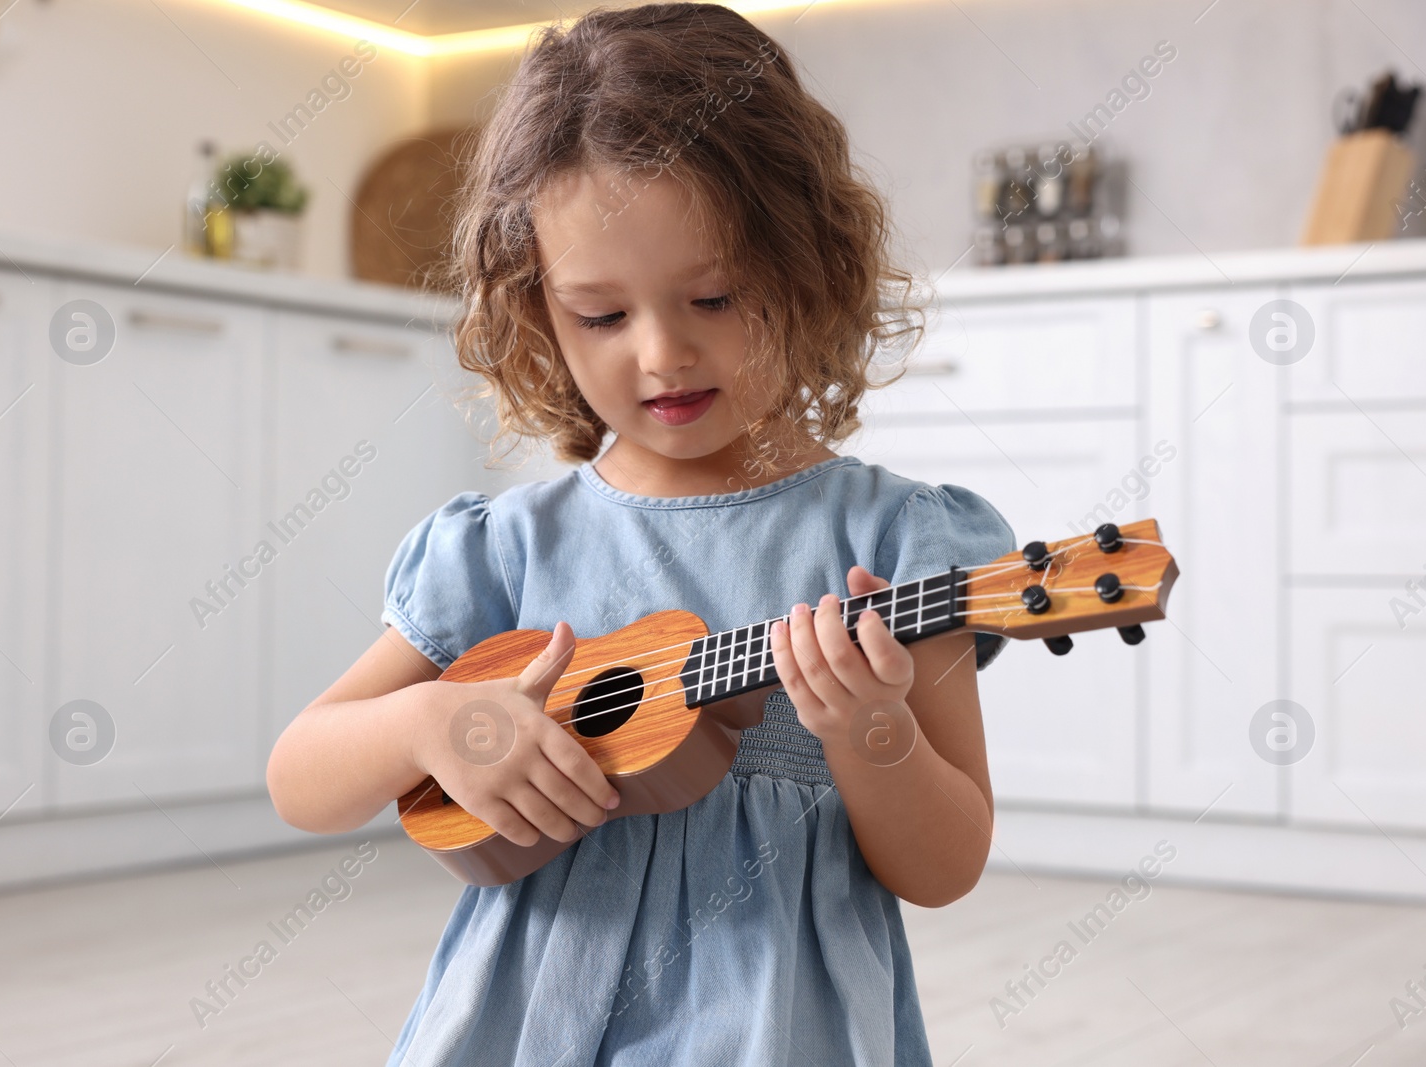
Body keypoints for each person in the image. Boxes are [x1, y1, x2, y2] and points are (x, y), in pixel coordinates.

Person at [265, 4, 1016, 1064]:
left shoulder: (893, 544)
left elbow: (945, 865)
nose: (663, 351)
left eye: (712, 296)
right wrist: (426, 723)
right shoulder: (505, 547)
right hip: (522, 1025)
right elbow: (301, 772)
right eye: (601, 315)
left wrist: (868, 729)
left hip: (774, 1029)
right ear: (535, 308)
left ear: (804, 268)